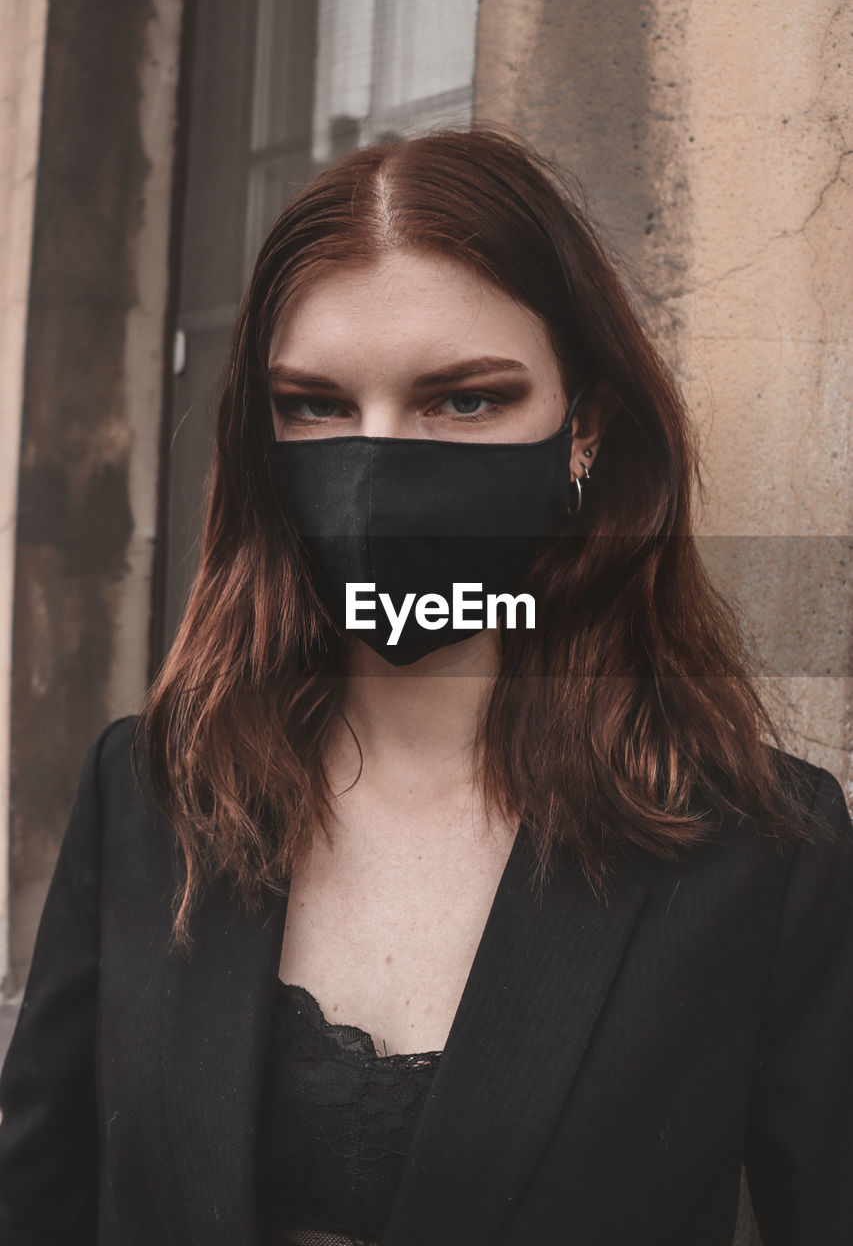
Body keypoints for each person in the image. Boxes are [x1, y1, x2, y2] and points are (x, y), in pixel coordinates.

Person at [0, 127, 851, 1246]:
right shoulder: (153, 787)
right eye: (315, 403)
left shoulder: (762, 848)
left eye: (463, 400)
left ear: (583, 430)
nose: (378, 465)